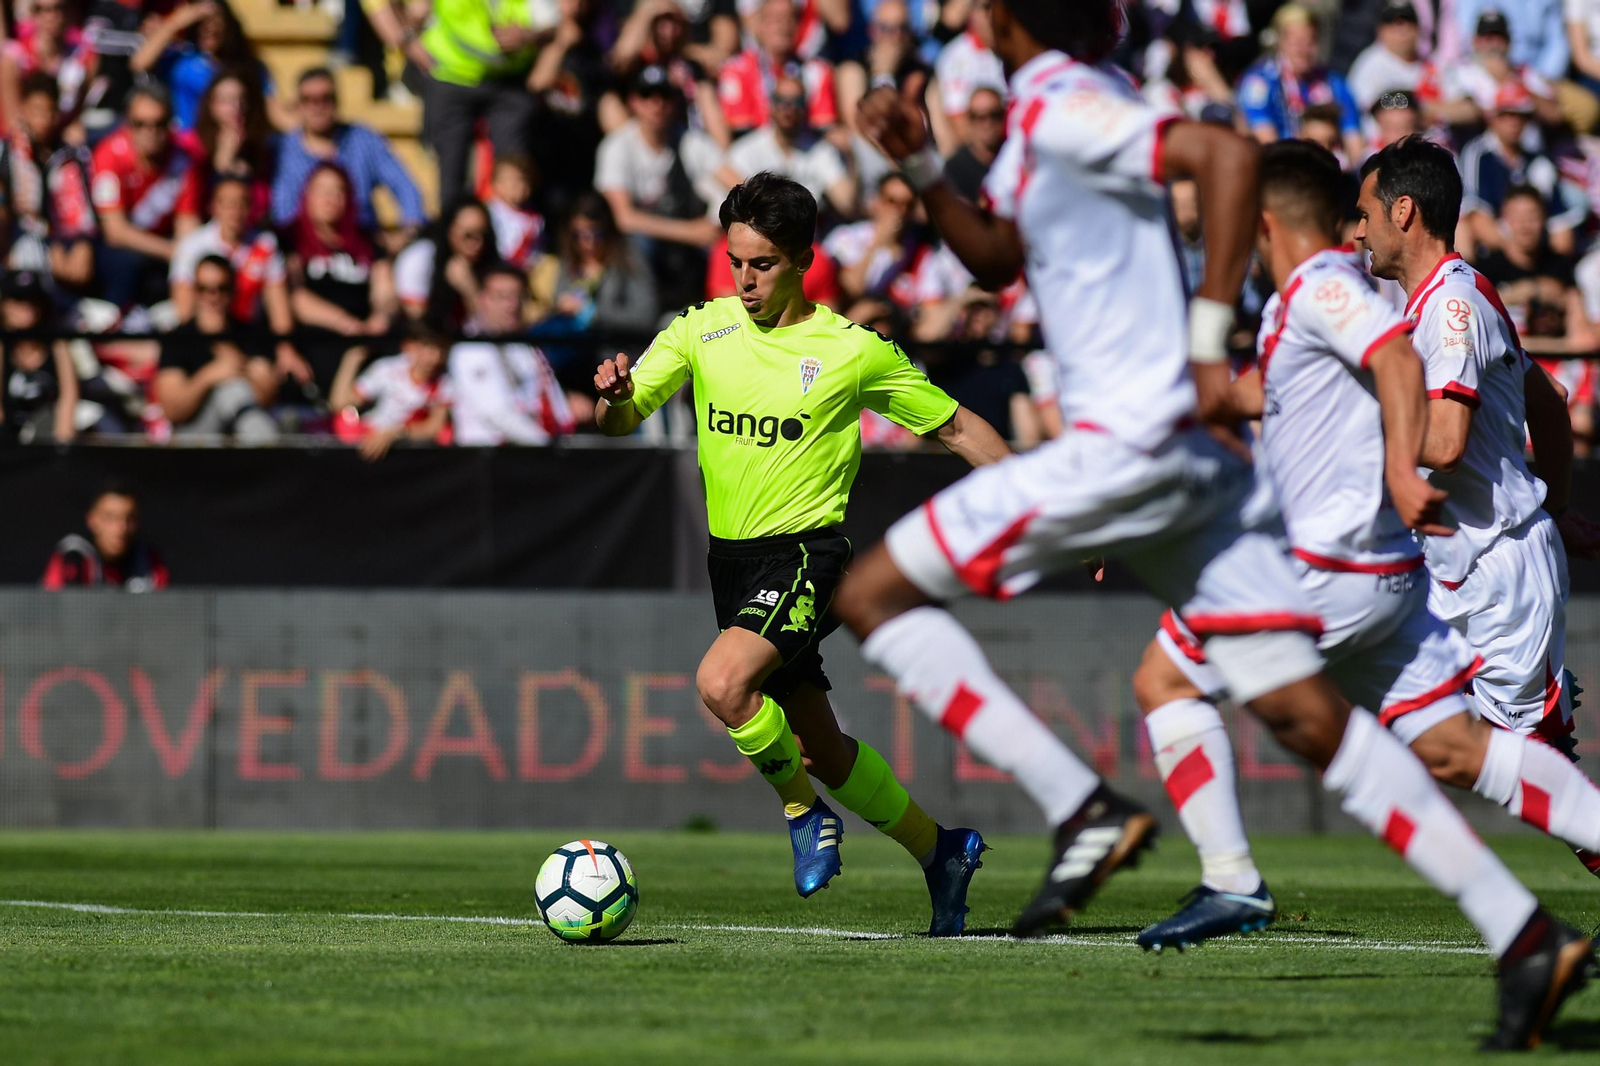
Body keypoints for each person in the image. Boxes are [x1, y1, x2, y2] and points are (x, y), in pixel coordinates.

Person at [847, 1, 1591, 1046]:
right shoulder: (1073, 140)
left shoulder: (1322, 279)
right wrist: (924, 166)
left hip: (1339, 542)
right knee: (1432, 745)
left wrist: (1206, 349)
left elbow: (1372, 341)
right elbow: (996, 257)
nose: (1197, 216)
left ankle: (1103, 817)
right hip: (1364, 557)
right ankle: (1523, 936)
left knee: (891, 597)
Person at [1131, 141, 1600, 962]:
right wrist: (1558, 506)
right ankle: (1523, 935)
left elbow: (1448, 440)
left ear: (1403, 212)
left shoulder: (1449, 304)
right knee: (1464, 753)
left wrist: (1387, 457)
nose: (1358, 231)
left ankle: (1234, 877)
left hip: (1488, 568)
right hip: (1452, 561)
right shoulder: (1421, 304)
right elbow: (1550, 400)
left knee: (1500, 756)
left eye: (1367, 211)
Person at [592, 172, 1010, 935]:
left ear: (803, 260)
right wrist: (615, 397)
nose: (744, 280)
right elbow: (619, 421)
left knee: (722, 683)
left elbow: (956, 429)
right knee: (821, 750)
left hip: (806, 557)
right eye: (736, 261)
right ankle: (941, 849)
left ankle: (801, 816)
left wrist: (1045, 505)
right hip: (733, 566)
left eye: (763, 264)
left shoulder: (851, 352)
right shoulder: (700, 329)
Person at [594, 64, 732, 307]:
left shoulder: (690, 141)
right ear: (634, 102)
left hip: (687, 240)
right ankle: (642, 315)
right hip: (645, 244)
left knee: (729, 245)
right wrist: (690, 232)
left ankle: (723, 318)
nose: (656, 104)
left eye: (664, 96)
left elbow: (734, 181)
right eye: (647, 96)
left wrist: (715, 225)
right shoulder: (617, 146)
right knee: (636, 243)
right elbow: (623, 218)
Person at [270, 67, 426, 238]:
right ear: (298, 105)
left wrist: (409, 232)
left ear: (337, 101)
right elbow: (281, 213)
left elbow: (404, 185)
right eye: (309, 100)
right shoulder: (281, 149)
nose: (318, 106)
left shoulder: (363, 139)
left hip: (360, 244)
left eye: (326, 98)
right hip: (302, 247)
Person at [414, 0, 540, 208]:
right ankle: (453, 231)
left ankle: (514, 235)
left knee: (514, 174)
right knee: (452, 176)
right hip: (451, 75)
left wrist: (529, 35)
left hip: (510, 79)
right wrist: (408, 37)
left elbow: (550, 17)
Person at [287, 162, 397, 398]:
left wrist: (381, 317)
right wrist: (346, 324)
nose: (331, 198)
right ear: (308, 195)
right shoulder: (291, 239)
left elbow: (385, 291)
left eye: (339, 191)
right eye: (323, 190)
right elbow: (296, 297)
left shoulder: (367, 243)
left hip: (367, 336)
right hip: (321, 337)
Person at [89, 84, 201, 309]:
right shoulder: (109, 154)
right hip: (122, 252)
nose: (150, 131)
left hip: (162, 248)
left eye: (158, 124)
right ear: (127, 124)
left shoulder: (184, 162)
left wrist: (182, 254)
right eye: (140, 124)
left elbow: (188, 227)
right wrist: (171, 251)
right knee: (125, 262)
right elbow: (115, 231)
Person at [154, 255, 279, 442]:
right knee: (230, 390)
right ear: (194, 291)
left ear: (233, 290)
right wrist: (210, 376)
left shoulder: (251, 334)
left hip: (243, 428)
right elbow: (173, 410)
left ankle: (266, 452)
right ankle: (272, 456)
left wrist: (223, 347)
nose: (213, 297)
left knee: (232, 391)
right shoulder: (177, 338)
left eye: (222, 289)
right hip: (195, 435)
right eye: (204, 289)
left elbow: (268, 396)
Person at [451, 262, 575, 445]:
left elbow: (549, 396)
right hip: (492, 461)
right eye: (503, 297)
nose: (513, 305)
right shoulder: (471, 346)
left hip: (534, 454)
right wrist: (550, 448)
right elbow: (498, 414)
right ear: (483, 299)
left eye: (519, 297)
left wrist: (567, 427)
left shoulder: (524, 345)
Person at [1458, 82, 1588, 255]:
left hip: (1536, 250)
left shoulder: (1540, 163)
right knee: (1462, 229)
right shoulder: (1478, 154)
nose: (1514, 122)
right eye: (1507, 114)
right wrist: (1518, 256)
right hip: (1495, 250)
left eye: (1521, 116)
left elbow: (1560, 225)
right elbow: (1477, 217)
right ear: (1493, 118)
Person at [131, 0, 287, 132]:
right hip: (187, 146)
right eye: (202, 24)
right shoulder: (182, 60)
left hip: (230, 141)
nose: (209, 28)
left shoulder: (248, 66)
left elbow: (274, 112)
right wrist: (178, 20)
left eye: (216, 22)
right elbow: (139, 63)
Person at [4, 72, 96, 291]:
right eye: (36, 110)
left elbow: (81, 210)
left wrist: (84, 245)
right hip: (22, 235)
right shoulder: (8, 154)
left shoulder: (72, 156)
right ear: (24, 109)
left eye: (48, 111)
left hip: (66, 236)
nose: (42, 119)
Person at [1238, 5, 1364, 161]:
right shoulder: (1259, 82)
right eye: (1295, 42)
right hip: (1282, 167)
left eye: (1309, 42)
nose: (1302, 50)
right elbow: (1266, 140)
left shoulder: (1334, 83)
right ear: (1279, 42)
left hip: (1331, 168)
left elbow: (1354, 143)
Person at [728, 75, 854, 216]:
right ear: (771, 105)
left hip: (808, 234)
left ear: (806, 107)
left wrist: (850, 154)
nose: (789, 108)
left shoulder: (821, 150)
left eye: (797, 102)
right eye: (781, 100)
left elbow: (846, 204)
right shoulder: (745, 151)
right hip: (762, 231)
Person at [329, 318, 452, 461]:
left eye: (441, 349)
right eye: (428, 348)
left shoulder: (445, 381)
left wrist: (394, 434)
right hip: (370, 439)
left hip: (411, 449)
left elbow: (433, 428)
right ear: (410, 347)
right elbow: (340, 404)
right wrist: (352, 359)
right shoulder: (387, 369)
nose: (436, 358)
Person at [716, 0, 836, 134]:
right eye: (775, 19)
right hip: (754, 146)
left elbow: (822, 128)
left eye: (790, 19)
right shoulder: (736, 70)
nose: (783, 26)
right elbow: (740, 130)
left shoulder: (817, 72)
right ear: (760, 25)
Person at [182, 69, 275, 227]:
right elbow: (193, 200)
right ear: (211, 104)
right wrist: (224, 164)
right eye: (227, 100)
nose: (236, 107)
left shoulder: (259, 147)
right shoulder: (190, 143)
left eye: (241, 99)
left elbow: (263, 207)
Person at [823, 172, 929, 309]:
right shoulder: (846, 236)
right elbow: (851, 288)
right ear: (878, 201)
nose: (899, 211)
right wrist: (877, 244)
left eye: (907, 204)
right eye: (892, 201)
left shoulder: (918, 251)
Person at [394, 198, 499, 329]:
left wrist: (470, 289)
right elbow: (420, 323)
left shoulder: (490, 261)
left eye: (483, 235)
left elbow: (497, 328)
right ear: (449, 230)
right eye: (468, 235)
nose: (478, 243)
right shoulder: (420, 257)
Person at [1, 269, 78, 444]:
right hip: (10, 443)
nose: (28, 308)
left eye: (33, 300)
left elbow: (68, 398)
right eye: (19, 300)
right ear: (4, 305)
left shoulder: (57, 344)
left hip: (48, 437)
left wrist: (61, 448)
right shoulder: (2, 346)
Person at [42, 486, 168, 591]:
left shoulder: (148, 559)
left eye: (129, 518)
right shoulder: (74, 555)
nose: (121, 527)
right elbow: (62, 609)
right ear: (92, 520)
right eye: (110, 517)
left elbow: (162, 610)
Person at [0, 0, 98, 135]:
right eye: (43, 10)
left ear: (69, 12)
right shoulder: (14, 57)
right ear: (34, 13)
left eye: (58, 8)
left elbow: (75, 118)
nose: (51, 16)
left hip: (57, 137)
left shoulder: (81, 59)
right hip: (18, 139)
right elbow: (12, 120)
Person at [1458, 0, 1571, 82]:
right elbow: (1466, 35)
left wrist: (1539, 81)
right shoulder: (1464, 75)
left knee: (1584, 106)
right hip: (1484, 68)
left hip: (1537, 75)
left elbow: (1557, 44)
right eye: (1489, 38)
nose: (1494, 42)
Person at [1348, 1, 1426, 111]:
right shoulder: (1370, 64)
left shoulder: (1430, 63)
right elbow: (1373, 106)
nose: (1403, 32)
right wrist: (1421, 107)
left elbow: (1457, 103)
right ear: (1381, 31)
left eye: (1409, 24)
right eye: (1395, 25)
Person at [942, 85, 1003, 204]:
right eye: (979, 117)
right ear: (969, 119)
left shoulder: (1017, 158)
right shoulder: (955, 168)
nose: (987, 123)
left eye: (994, 115)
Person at [483, 154, 545, 271]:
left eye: (523, 181)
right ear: (495, 183)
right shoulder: (487, 212)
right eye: (510, 180)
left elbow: (538, 250)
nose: (517, 186)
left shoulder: (534, 218)